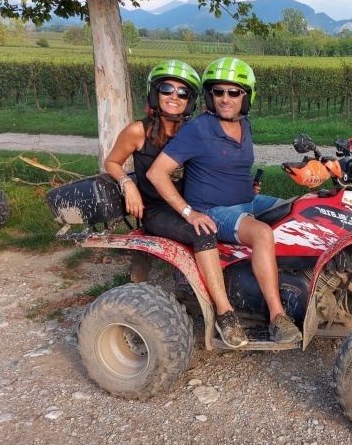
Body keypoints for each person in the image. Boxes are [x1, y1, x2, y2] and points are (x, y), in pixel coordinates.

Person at [146, 57, 302, 344]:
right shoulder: (198, 129)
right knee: (262, 233)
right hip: (214, 209)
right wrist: (189, 212)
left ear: (246, 97)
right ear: (210, 95)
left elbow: (231, 167)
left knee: (301, 209)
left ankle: (299, 284)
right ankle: (277, 317)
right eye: (218, 92)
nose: (225, 99)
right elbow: (156, 173)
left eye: (233, 92)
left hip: (247, 201)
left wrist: (248, 186)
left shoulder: (245, 124)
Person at [104, 59, 249, 348]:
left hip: (193, 203)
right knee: (203, 232)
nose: (174, 96)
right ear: (154, 93)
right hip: (159, 210)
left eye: (183, 92)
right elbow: (112, 162)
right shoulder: (138, 131)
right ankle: (225, 314)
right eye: (167, 89)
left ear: (190, 100)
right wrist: (128, 184)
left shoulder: (194, 129)